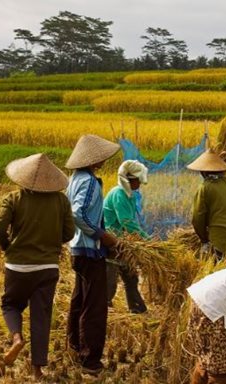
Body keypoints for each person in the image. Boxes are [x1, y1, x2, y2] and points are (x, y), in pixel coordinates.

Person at [0, 153, 75, 380]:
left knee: (10, 304)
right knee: (41, 315)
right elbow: (69, 233)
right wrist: (50, 242)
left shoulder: (13, 198)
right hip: (48, 267)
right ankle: (38, 369)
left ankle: (17, 338)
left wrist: (7, 246)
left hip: (17, 266)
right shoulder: (61, 200)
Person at [65, 134, 120, 375]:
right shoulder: (88, 181)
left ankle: (75, 346)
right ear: (93, 160)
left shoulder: (74, 179)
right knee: (95, 305)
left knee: (80, 299)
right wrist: (101, 235)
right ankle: (90, 360)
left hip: (78, 248)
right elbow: (78, 213)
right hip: (89, 249)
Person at [104, 160, 149, 314]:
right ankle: (104, 310)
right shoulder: (119, 194)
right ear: (128, 179)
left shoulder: (128, 195)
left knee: (131, 276)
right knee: (110, 278)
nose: (140, 184)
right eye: (138, 180)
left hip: (123, 242)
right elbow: (127, 222)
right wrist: (146, 240)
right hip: (112, 242)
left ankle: (137, 308)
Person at [187, 149, 226, 262]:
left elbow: (197, 218)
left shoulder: (205, 187)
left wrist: (204, 239)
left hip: (221, 240)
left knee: (218, 275)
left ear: (203, 172)